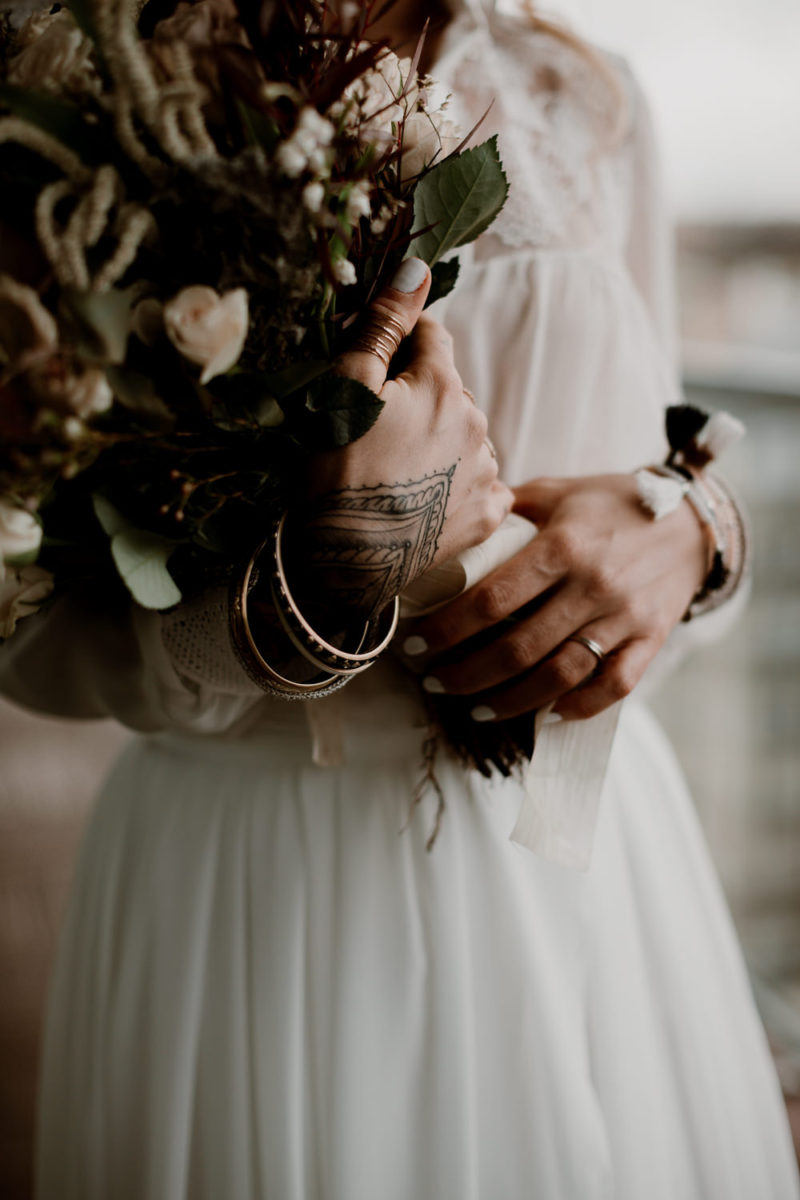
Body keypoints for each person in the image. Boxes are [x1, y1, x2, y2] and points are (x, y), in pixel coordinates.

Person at [2, 1, 799, 1196]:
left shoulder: (585, 97)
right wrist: (312, 589)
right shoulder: (68, 91)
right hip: (256, 882)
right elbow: (33, 630)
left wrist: (690, 536)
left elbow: (664, 462)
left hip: (586, 856)